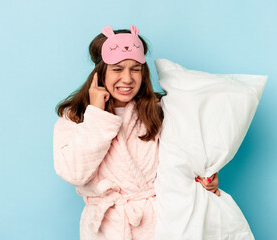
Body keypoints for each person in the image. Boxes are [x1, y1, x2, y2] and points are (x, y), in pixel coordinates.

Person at [53, 25, 219, 240]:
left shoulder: (160, 110)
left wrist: (205, 178)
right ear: (99, 73)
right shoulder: (76, 115)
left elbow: (184, 157)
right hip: (108, 229)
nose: (128, 78)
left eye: (135, 68)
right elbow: (74, 173)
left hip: (161, 222)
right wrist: (96, 114)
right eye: (117, 68)